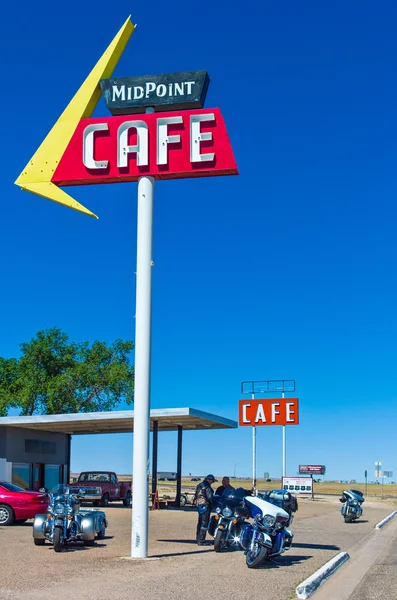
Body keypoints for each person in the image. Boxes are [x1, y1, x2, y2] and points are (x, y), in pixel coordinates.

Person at [195, 474, 215, 545]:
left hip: (199, 505)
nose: (212, 482)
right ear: (209, 480)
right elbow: (210, 497)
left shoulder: (200, 485)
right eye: (212, 481)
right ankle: (201, 540)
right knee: (204, 523)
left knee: (200, 522)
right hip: (205, 506)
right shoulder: (206, 486)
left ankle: (198, 538)